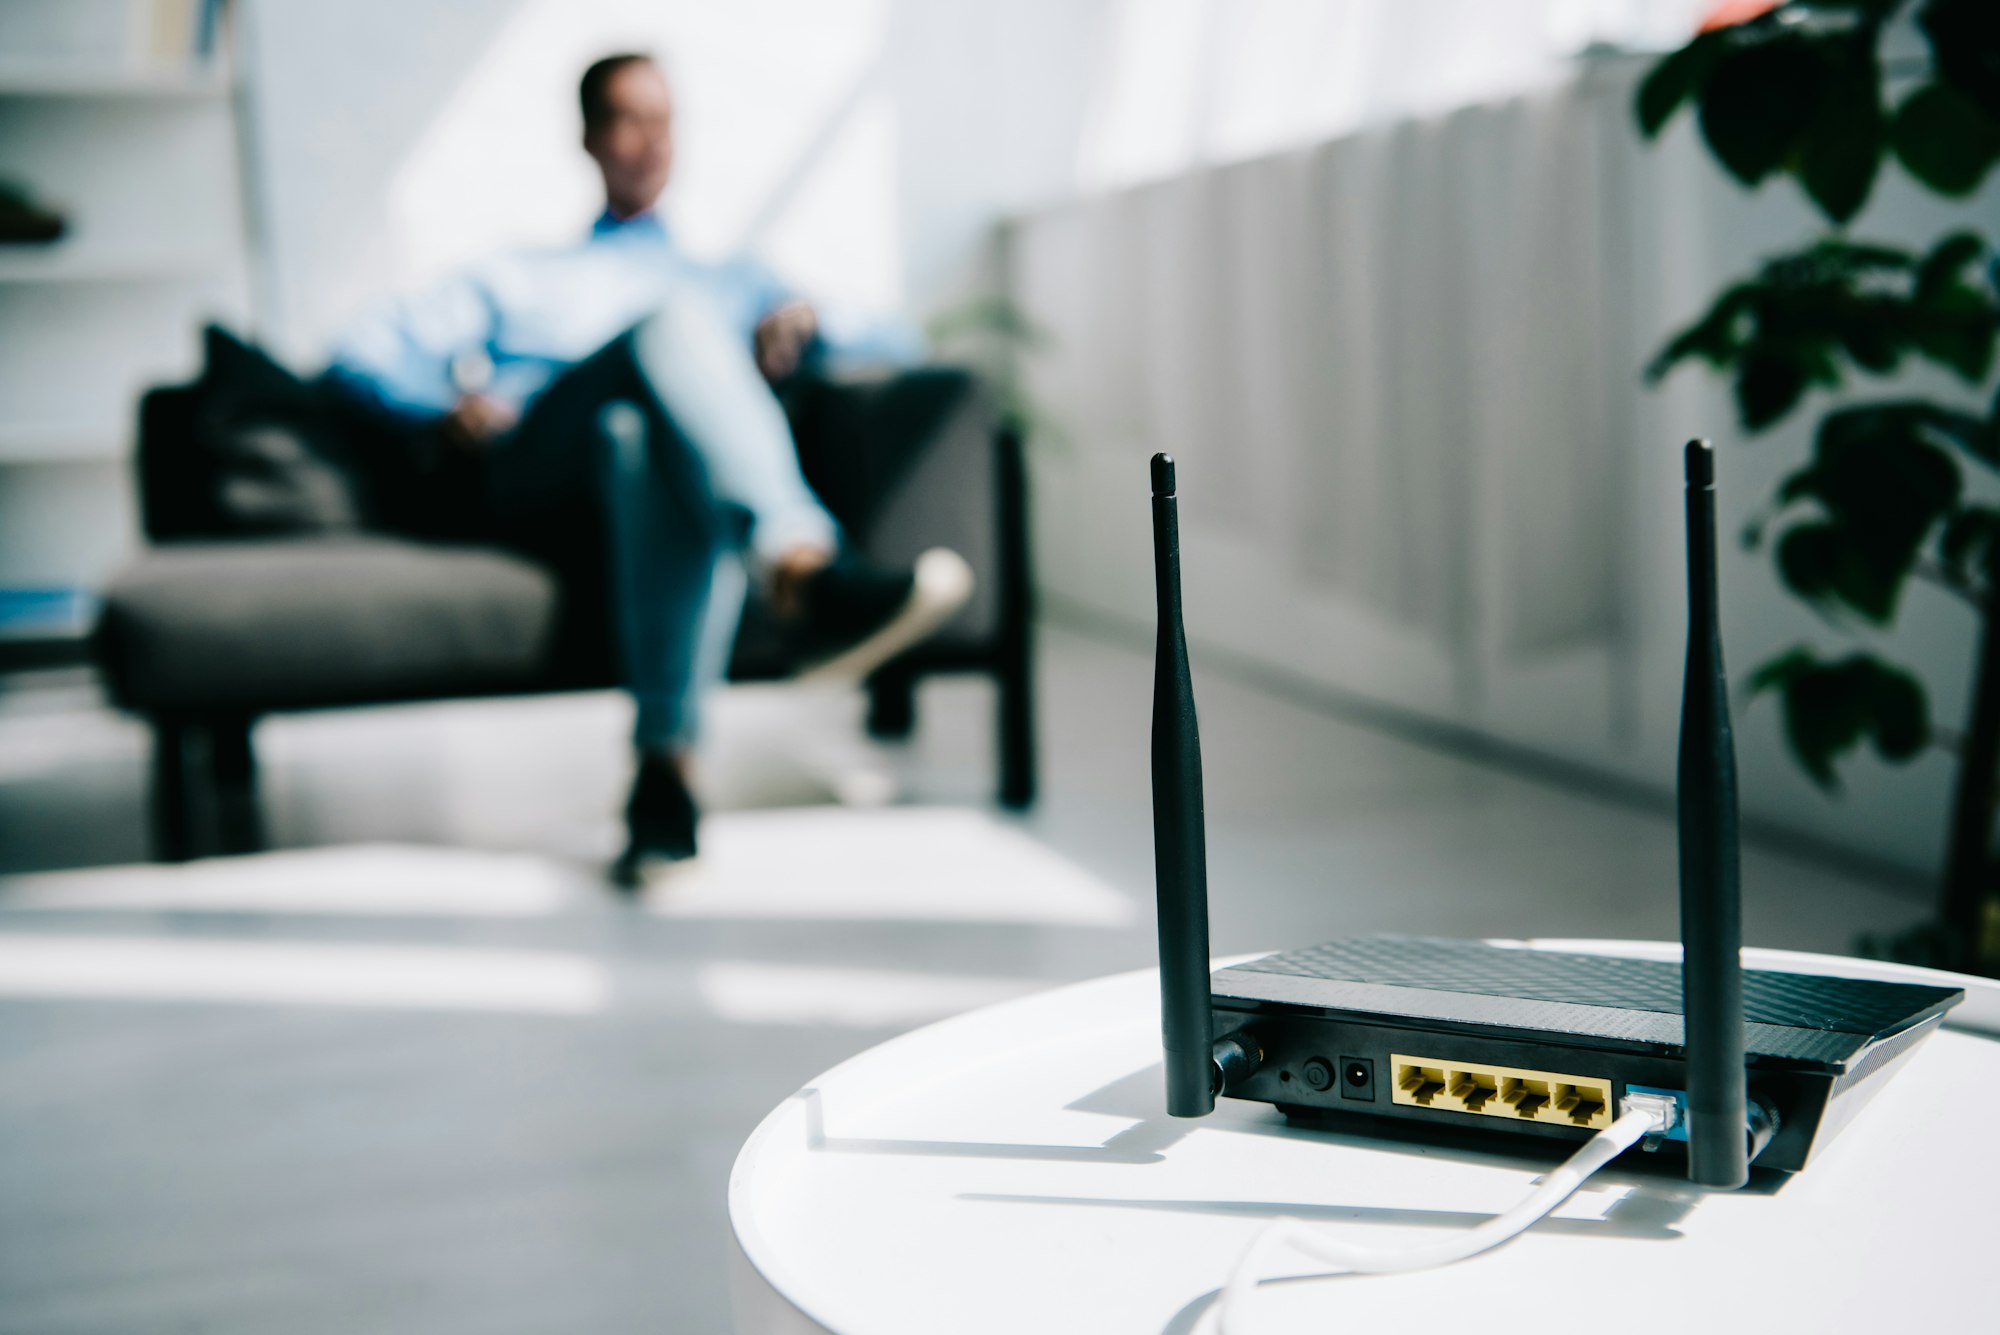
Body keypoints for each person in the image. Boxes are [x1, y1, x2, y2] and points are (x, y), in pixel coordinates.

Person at [326, 52, 973, 885]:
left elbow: (901, 343)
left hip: (636, 475)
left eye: (662, 122)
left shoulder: (732, 278)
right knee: (663, 331)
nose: (649, 143)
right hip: (539, 472)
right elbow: (357, 354)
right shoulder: (520, 274)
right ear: (590, 138)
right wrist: (440, 407)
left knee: (641, 435)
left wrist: (810, 326)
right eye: (628, 121)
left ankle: (664, 776)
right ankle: (801, 566)